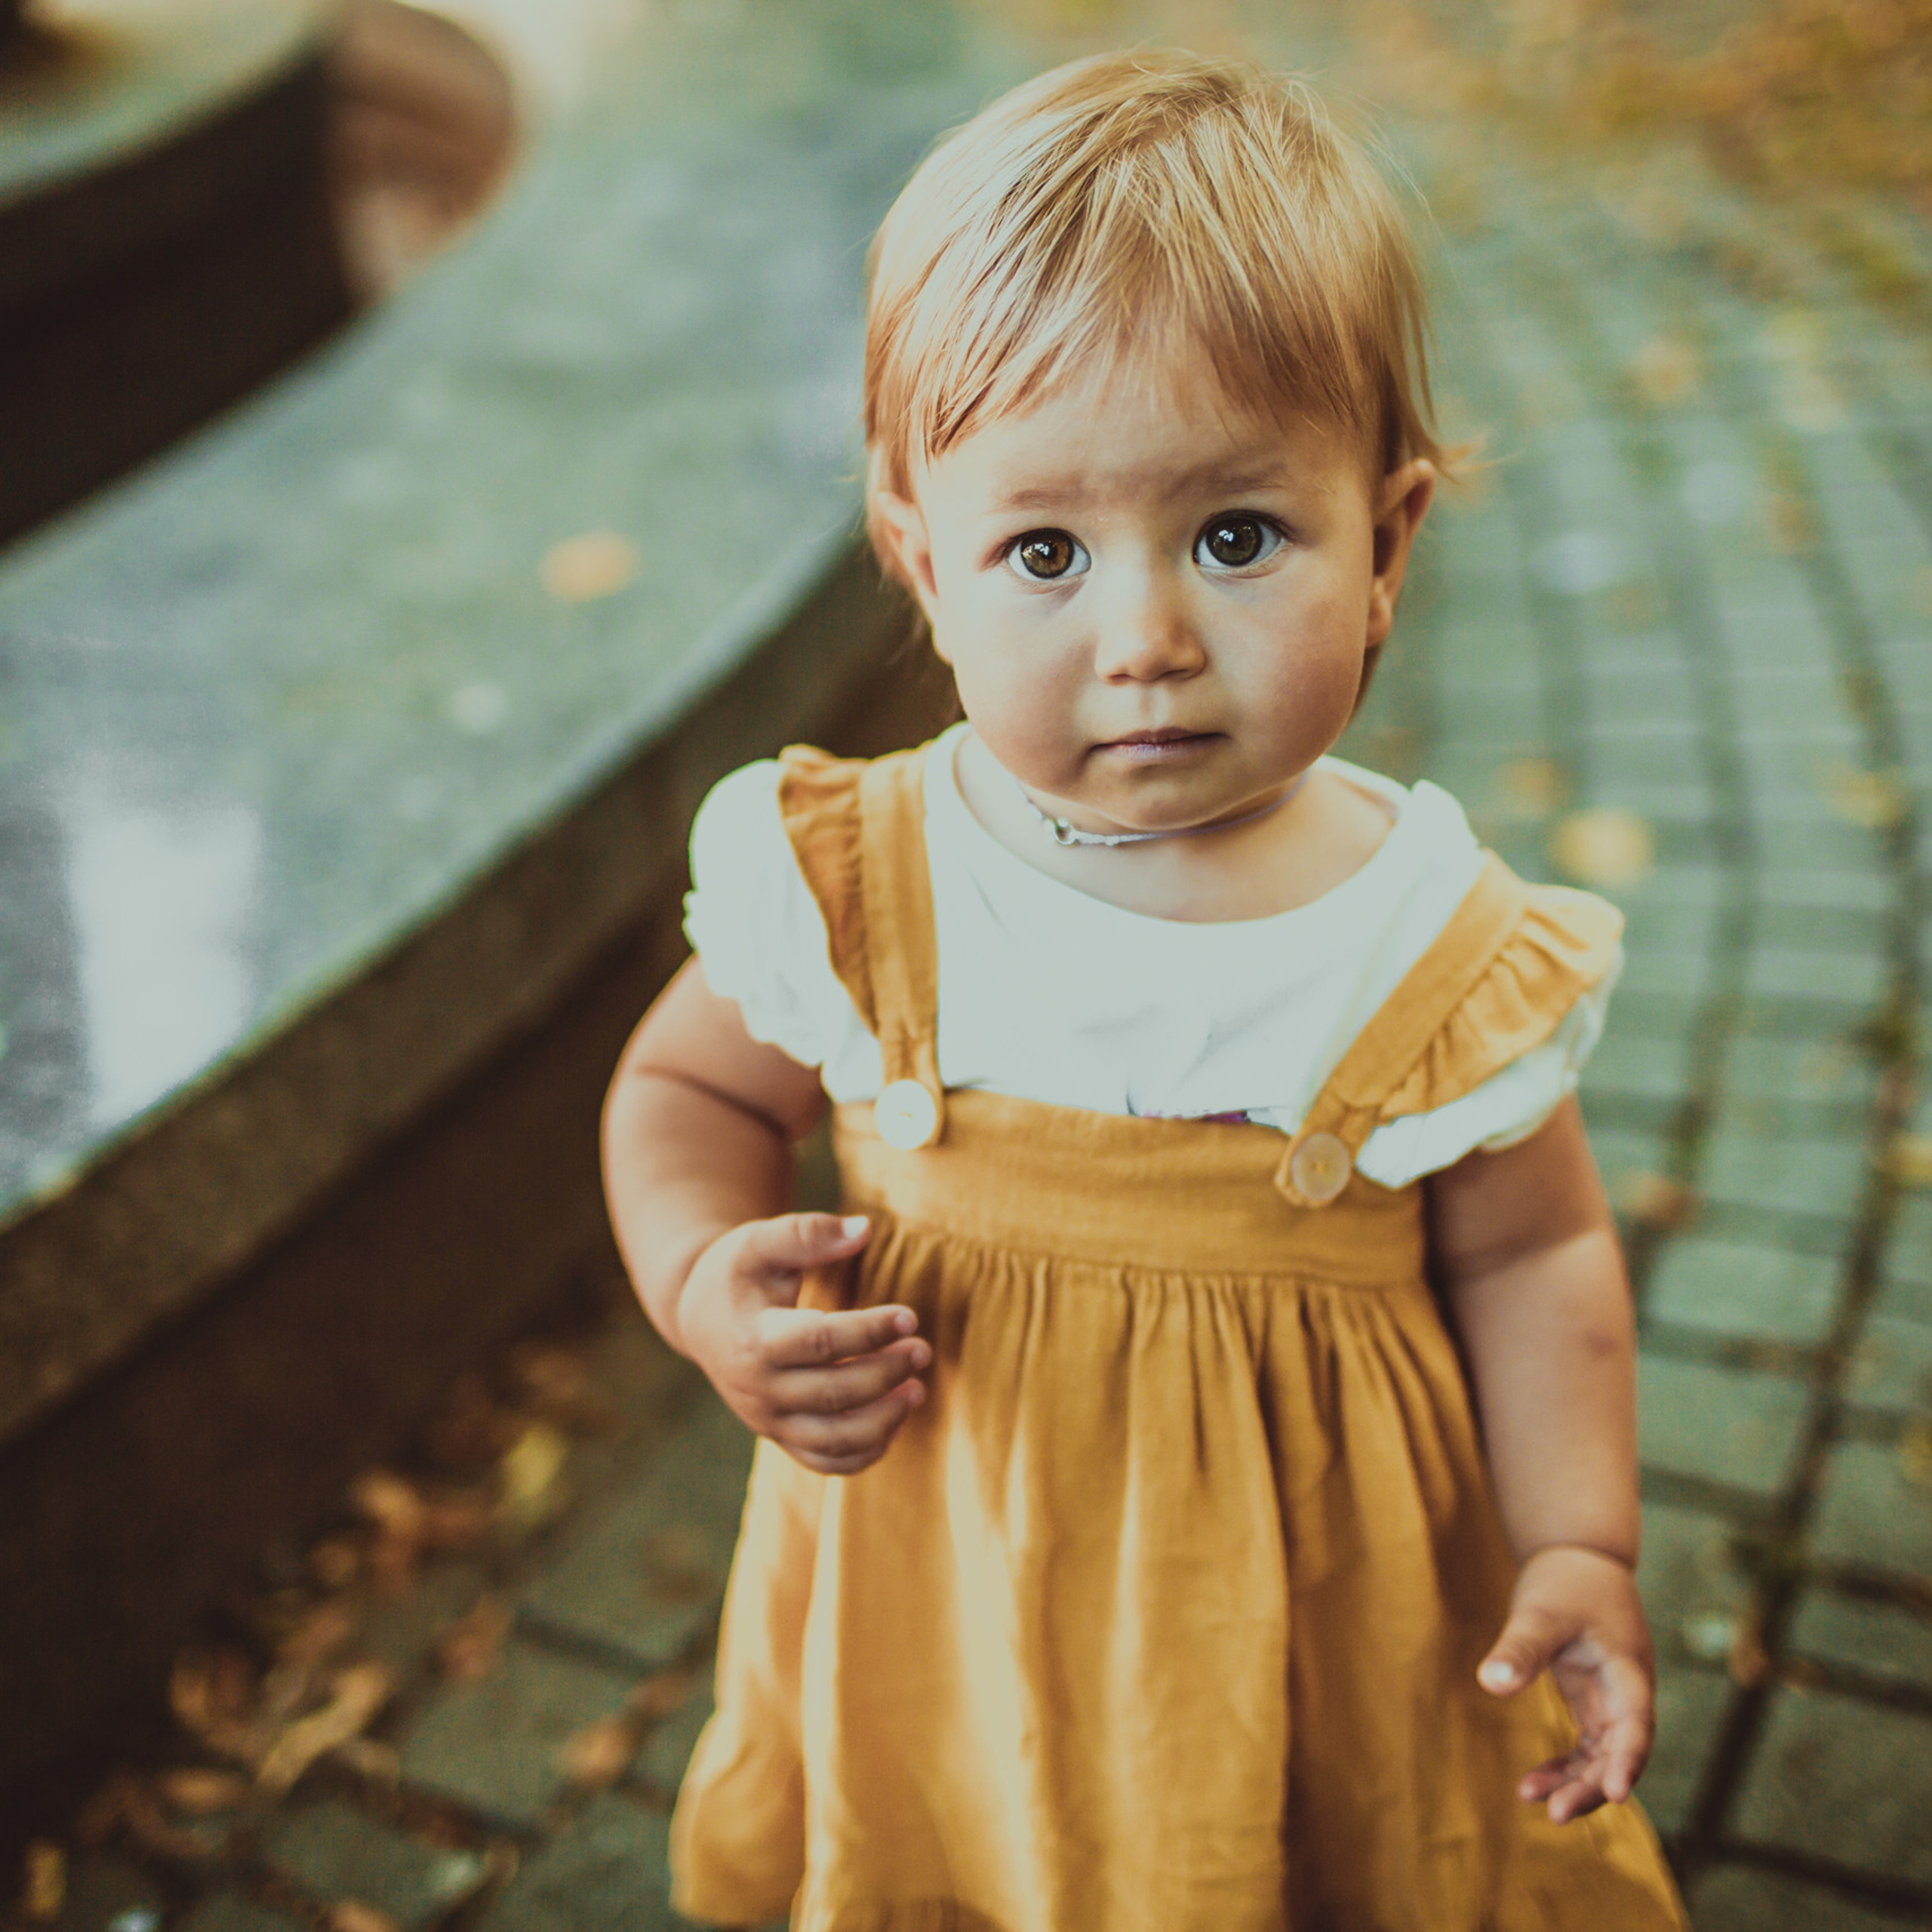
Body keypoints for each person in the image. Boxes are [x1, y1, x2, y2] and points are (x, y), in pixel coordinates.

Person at [601, 48, 1687, 1931]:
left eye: (1236, 534)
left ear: (1388, 542)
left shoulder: (1431, 937)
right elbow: (686, 1097)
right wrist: (702, 1286)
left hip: (1319, 1610)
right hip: (943, 1587)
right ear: (918, 562)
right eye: (1043, 550)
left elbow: (1530, 1254)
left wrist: (1577, 1535)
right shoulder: (855, 881)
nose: (1146, 641)